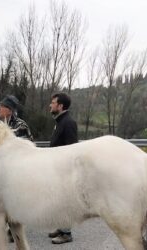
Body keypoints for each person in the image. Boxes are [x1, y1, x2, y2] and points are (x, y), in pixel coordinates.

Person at [0, 95, 33, 243]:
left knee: (14, 201)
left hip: (17, 171)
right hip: (0, 170)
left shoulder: (21, 125)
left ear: (10, 110)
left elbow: (30, 147)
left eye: (1, 106)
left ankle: (14, 229)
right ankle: (8, 227)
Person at [48, 92, 78, 244]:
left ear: (60, 106)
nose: (50, 105)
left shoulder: (68, 123)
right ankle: (61, 228)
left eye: (53, 103)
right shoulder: (60, 121)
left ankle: (66, 233)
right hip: (57, 169)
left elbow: (72, 150)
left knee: (65, 201)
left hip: (64, 171)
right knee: (58, 201)